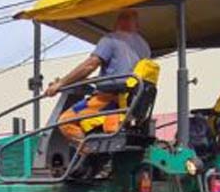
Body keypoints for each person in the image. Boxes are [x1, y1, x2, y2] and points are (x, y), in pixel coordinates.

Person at [44, 9, 151, 142]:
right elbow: (121, 75)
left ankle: (86, 155)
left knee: (66, 122)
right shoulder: (145, 47)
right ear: (137, 25)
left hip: (108, 100)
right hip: (131, 102)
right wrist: (71, 82)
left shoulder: (111, 39)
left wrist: (60, 84)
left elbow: (90, 65)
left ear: (118, 22)